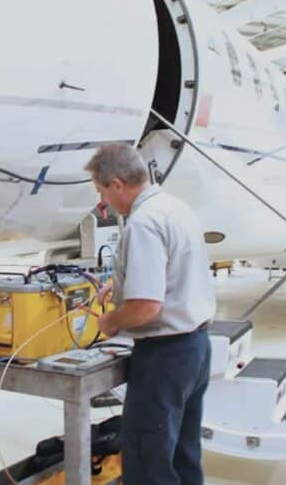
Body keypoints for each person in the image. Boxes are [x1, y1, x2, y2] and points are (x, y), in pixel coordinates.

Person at [84, 143, 216, 485]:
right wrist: (122, 285)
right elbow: (173, 272)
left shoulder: (142, 223)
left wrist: (111, 320)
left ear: (117, 184)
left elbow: (146, 307)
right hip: (196, 348)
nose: (102, 203)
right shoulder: (175, 208)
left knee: (149, 464)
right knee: (183, 456)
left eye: (102, 191)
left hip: (164, 357)